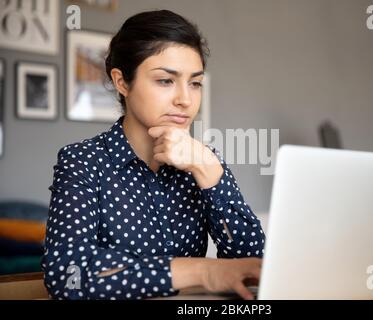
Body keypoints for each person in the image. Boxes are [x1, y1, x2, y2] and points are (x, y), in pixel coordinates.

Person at [41, 10, 265, 300]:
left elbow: (253, 269)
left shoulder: (203, 160)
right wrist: (203, 271)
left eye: (195, 83)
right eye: (165, 81)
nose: (185, 100)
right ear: (122, 82)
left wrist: (210, 172)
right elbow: (68, 275)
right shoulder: (83, 161)